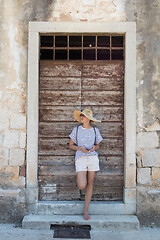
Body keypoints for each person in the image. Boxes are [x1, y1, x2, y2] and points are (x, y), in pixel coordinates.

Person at [69, 109, 103, 220]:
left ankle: (85, 211)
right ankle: (85, 209)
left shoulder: (95, 131)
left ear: (89, 118)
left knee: (90, 184)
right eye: (81, 115)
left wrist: (94, 147)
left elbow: (98, 146)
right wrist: (80, 148)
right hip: (80, 158)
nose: (81, 117)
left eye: (84, 115)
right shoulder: (76, 130)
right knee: (82, 185)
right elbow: (71, 146)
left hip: (92, 158)